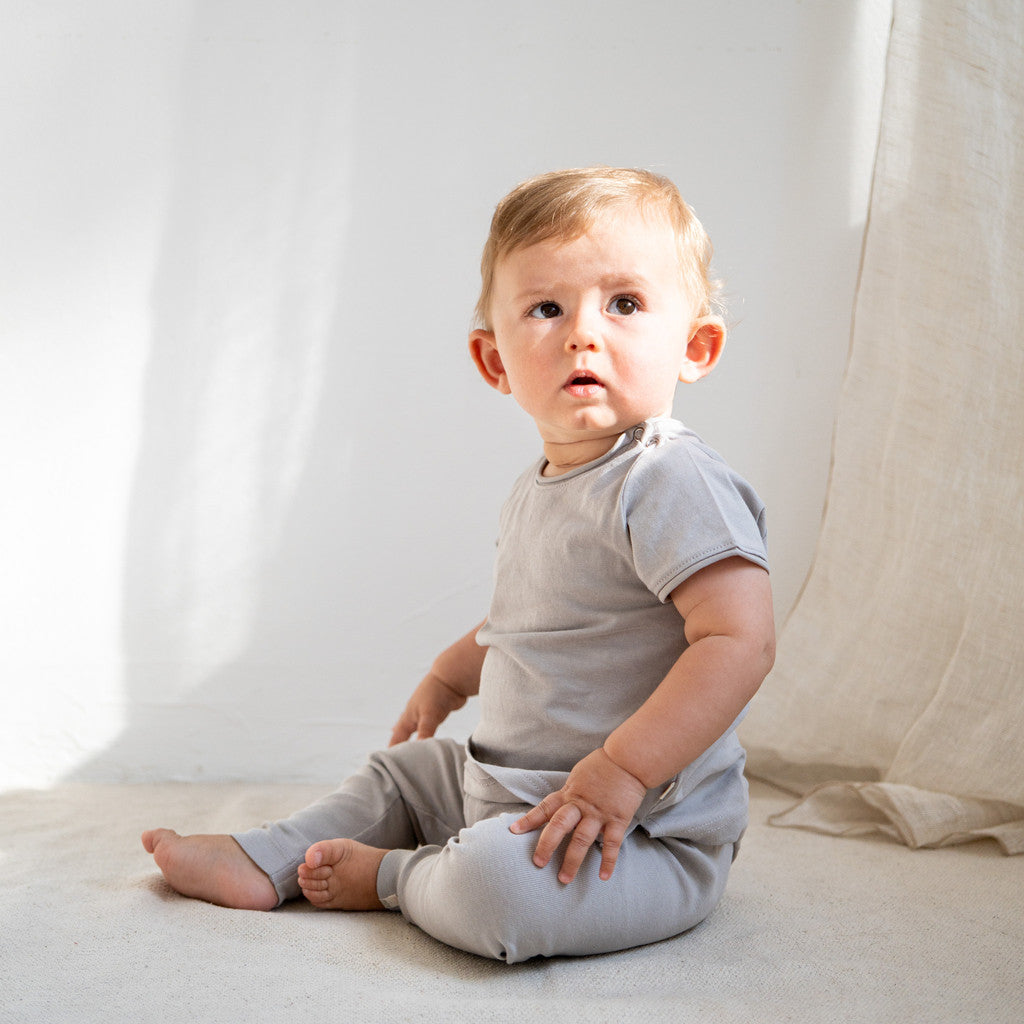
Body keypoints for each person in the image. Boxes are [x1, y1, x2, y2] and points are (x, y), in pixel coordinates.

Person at [141, 166, 775, 963]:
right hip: (508, 794)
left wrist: (623, 769)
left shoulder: (670, 477)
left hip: (638, 830)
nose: (583, 333)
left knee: (496, 889)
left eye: (624, 304)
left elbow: (739, 641)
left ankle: (396, 877)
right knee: (405, 776)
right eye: (547, 308)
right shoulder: (538, 487)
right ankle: (270, 858)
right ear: (495, 361)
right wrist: (452, 672)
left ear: (696, 346)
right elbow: (541, 620)